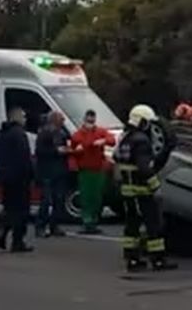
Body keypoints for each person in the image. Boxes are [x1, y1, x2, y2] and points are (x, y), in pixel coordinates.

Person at [115, 104, 177, 274]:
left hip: (127, 189)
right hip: (141, 190)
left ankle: (132, 258)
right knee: (153, 224)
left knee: (132, 225)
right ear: (142, 122)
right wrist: (156, 186)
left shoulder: (125, 138)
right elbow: (144, 167)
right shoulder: (141, 140)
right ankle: (158, 259)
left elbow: (116, 157)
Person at [0, 107, 34, 252]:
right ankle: (17, 241)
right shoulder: (19, 134)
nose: (25, 119)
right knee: (21, 210)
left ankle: (3, 231)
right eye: (23, 116)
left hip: (5, 177)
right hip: (19, 178)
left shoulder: (1, 133)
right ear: (16, 118)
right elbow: (25, 157)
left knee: (9, 207)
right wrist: (30, 174)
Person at [69, 109, 115, 234]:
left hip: (99, 169)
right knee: (86, 197)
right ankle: (87, 222)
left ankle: (93, 221)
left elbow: (112, 140)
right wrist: (81, 148)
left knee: (97, 197)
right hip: (85, 170)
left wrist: (104, 141)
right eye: (89, 119)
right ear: (85, 120)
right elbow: (73, 149)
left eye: (92, 120)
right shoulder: (78, 134)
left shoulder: (100, 132)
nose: (91, 122)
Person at [33, 110, 71, 237]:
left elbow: (67, 145)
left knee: (59, 200)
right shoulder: (44, 133)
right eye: (61, 119)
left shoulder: (62, 133)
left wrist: (67, 150)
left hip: (60, 170)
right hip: (47, 171)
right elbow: (40, 151)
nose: (63, 121)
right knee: (46, 200)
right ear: (54, 119)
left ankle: (55, 225)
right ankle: (40, 226)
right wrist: (56, 151)